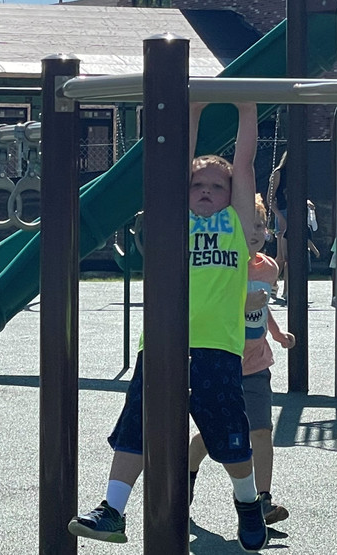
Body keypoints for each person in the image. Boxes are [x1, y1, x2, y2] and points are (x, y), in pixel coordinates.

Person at [68, 103, 269, 552]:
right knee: (137, 427)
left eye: (216, 187)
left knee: (231, 437)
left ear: (230, 196)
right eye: (197, 184)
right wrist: (190, 112)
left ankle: (247, 503)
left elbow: (244, 164)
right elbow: (172, 164)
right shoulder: (172, 221)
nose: (205, 191)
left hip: (217, 345)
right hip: (160, 342)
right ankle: (112, 510)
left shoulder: (235, 225)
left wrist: (248, 105)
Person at [188, 193, 295, 527]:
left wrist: (276, 333)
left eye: (260, 225)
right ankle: (185, 478)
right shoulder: (221, 262)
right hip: (224, 361)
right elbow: (212, 307)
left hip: (256, 364)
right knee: (212, 434)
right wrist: (241, 305)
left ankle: (262, 500)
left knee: (261, 431)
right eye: (247, 224)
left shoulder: (270, 268)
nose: (253, 232)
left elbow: (262, 306)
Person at [267, 151, 289, 304]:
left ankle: (287, 290)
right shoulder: (279, 173)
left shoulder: (298, 174)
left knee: (291, 258)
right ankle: (270, 284)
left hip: (296, 213)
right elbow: (270, 198)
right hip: (283, 212)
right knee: (282, 257)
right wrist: (279, 216)